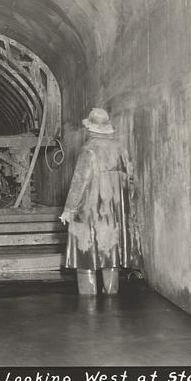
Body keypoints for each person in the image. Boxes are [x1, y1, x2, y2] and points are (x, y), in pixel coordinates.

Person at [59, 108, 143, 295]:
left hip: (90, 211)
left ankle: (89, 301)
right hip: (114, 213)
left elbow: (80, 181)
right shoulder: (122, 149)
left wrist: (69, 209)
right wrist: (126, 208)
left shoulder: (89, 150)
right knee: (110, 254)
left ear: (91, 129)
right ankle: (111, 295)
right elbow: (131, 181)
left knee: (86, 256)